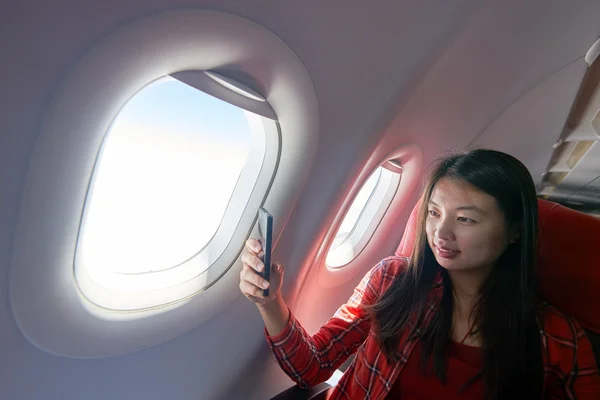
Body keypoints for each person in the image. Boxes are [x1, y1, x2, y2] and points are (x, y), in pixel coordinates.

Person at [239, 149, 600, 399]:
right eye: (433, 213)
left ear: (514, 232)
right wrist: (269, 302)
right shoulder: (392, 281)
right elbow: (312, 369)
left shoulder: (558, 340)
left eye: (465, 219)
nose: (440, 234)